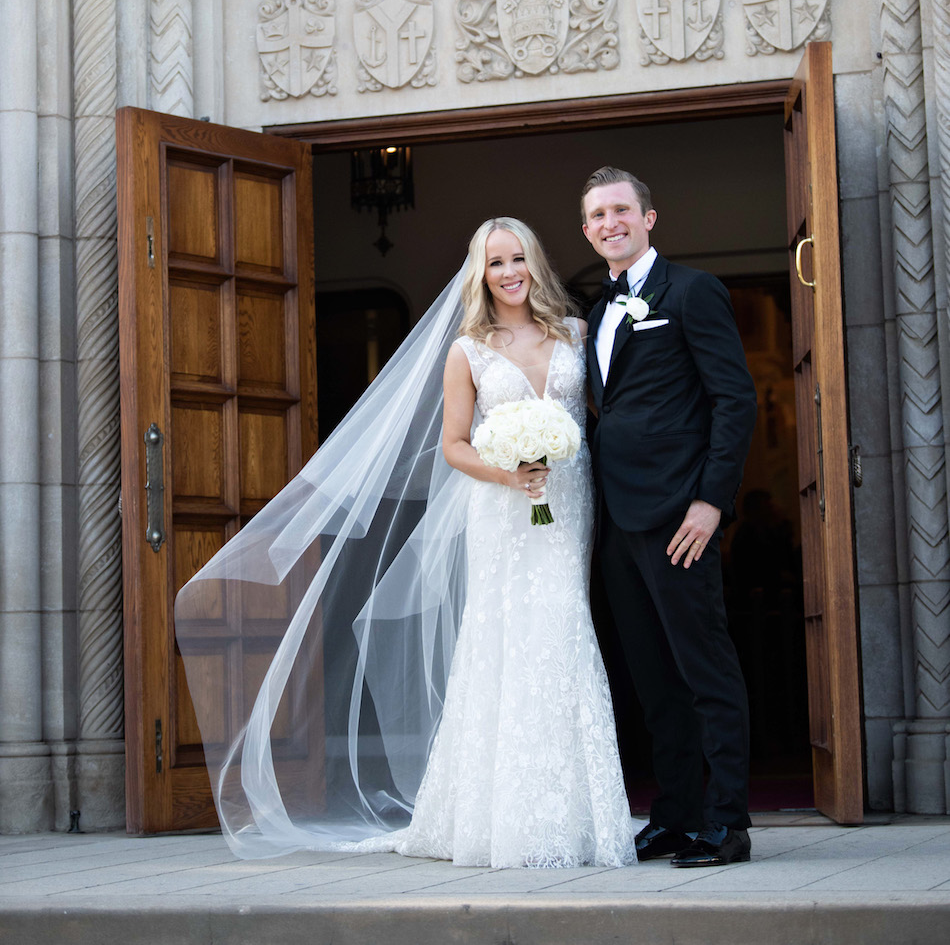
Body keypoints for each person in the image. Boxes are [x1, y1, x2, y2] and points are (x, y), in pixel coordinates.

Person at [176, 217, 635, 868]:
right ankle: (499, 820)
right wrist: (508, 471)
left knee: (564, 632)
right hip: (503, 509)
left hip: (567, 504)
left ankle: (579, 816)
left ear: (535, 262)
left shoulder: (576, 334)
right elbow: (453, 444)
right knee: (503, 640)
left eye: (517, 259)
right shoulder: (469, 350)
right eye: (494, 262)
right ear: (480, 274)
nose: (508, 272)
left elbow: (604, 419)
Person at [581, 166, 758, 867]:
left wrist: (711, 502)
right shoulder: (596, 310)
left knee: (704, 668)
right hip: (617, 523)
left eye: (621, 209)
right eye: (596, 215)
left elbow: (734, 399)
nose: (609, 222)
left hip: (680, 516)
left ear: (648, 217)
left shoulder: (691, 291)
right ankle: (678, 814)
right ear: (587, 228)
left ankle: (728, 821)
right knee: (653, 680)